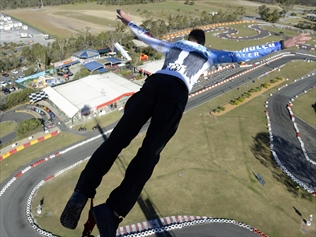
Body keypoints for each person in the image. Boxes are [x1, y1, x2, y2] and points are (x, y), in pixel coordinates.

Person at [60, 9, 311, 237]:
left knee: (115, 141)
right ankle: (112, 211)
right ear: (201, 43)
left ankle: (82, 191)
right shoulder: (209, 54)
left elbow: (146, 36)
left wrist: (128, 21)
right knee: (148, 153)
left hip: (153, 84)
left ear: (188, 38)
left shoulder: (172, 45)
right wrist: (281, 43)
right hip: (175, 92)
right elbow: (242, 54)